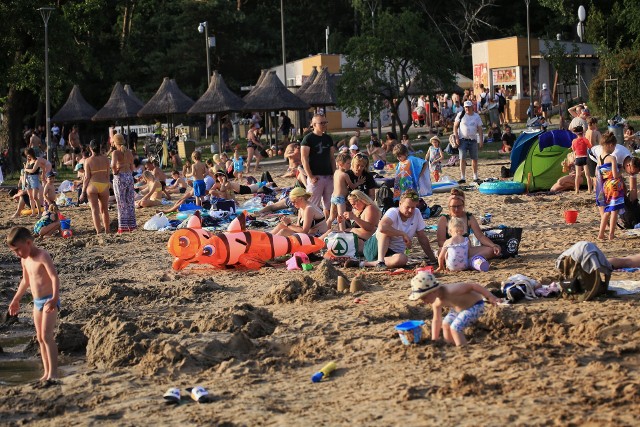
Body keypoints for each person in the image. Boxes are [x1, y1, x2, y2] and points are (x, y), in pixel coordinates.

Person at [7, 226, 60, 381]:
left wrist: (55, 298)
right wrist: (16, 299)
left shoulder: (43, 256)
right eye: (14, 251)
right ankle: (46, 373)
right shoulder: (25, 260)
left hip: (49, 299)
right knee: (40, 338)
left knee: (47, 336)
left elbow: (54, 277)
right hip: (37, 302)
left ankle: (54, 374)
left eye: (18, 249)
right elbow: (26, 280)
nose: (17, 254)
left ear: (29, 243)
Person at [408, 270, 500, 347]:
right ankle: (450, 345)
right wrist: (434, 339)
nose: (423, 301)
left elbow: (473, 286)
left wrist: (490, 296)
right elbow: (437, 320)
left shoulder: (452, 290)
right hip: (457, 309)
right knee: (445, 324)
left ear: (433, 291)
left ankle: (463, 348)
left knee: (455, 327)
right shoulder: (436, 302)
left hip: (475, 306)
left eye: (424, 297)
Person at [363, 189, 437, 269]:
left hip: (393, 252)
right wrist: (402, 234)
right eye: (407, 207)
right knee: (385, 230)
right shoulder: (393, 211)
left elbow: (422, 237)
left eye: (413, 207)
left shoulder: (417, 213)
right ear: (400, 204)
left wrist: (433, 259)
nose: (410, 210)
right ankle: (380, 261)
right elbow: (382, 227)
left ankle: (368, 263)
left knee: (403, 259)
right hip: (375, 247)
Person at [437, 189, 501, 260]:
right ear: (449, 206)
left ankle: (467, 260)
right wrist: (455, 247)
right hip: (452, 250)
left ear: (463, 205)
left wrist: (493, 245)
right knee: (440, 251)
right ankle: (471, 259)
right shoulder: (444, 219)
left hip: (467, 250)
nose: (456, 209)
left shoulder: (469, 217)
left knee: (491, 250)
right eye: (453, 206)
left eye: (459, 206)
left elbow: (480, 236)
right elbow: (440, 242)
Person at [300, 114, 336, 216]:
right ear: (314, 125)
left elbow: (332, 158)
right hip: (316, 176)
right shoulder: (308, 139)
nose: (324, 125)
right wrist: (310, 176)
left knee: (329, 203)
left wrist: (334, 173)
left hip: (328, 175)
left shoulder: (328, 138)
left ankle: (326, 223)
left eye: (325, 122)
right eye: (322, 123)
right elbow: (304, 159)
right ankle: (310, 223)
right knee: (312, 203)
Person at [595, 133, 625, 240]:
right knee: (614, 211)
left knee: (607, 211)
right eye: (614, 147)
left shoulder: (599, 157)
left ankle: (601, 234)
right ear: (610, 145)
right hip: (614, 186)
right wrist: (621, 170)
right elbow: (615, 175)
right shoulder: (612, 158)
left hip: (605, 186)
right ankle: (611, 234)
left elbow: (599, 174)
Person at [326, 153, 365, 231]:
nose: (349, 166)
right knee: (341, 217)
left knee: (331, 217)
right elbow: (352, 186)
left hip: (333, 197)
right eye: (348, 163)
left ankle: (326, 230)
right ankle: (342, 232)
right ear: (341, 164)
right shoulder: (345, 175)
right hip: (340, 198)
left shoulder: (336, 172)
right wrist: (359, 182)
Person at [82, 140, 111, 234]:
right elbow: (108, 174)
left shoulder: (88, 161)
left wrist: (83, 192)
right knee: (105, 209)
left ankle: (99, 231)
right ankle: (107, 230)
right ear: (100, 148)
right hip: (103, 185)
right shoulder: (106, 159)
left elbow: (86, 177)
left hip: (93, 185)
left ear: (90, 148)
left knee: (95, 210)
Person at [110, 133, 137, 233]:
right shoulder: (129, 152)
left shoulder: (115, 153)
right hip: (129, 177)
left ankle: (123, 226)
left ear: (115, 142)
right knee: (130, 202)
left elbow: (113, 165)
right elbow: (132, 167)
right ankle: (132, 225)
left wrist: (115, 171)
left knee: (121, 202)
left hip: (120, 177)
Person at [452, 100, 484, 184]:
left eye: (468, 107)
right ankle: (462, 177)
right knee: (462, 158)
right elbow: (455, 127)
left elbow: (480, 128)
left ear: (472, 107)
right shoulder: (460, 115)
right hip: (463, 139)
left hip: (473, 140)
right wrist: (456, 137)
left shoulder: (476, 116)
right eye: (465, 107)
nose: (467, 109)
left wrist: (481, 139)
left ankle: (475, 176)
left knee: (474, 158)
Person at [23, 148, 47, 217]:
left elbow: (33, 170)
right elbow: (26, 171)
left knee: (35, 197)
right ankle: (33, 212)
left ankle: (39, 213)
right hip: (28, 178)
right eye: (26, 155)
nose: (27, 156)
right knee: (30, 197)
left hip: (34, 178)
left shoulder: (37, 160)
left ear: (31, 154)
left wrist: (43, 174)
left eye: (28, 155)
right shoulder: (29, 161)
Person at [571, 126, 592, 193]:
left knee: (577, 175)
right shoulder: (585, 140)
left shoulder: (574, 141)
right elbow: (590, 147)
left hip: (578, 158)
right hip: (585, 157)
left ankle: (577, 190)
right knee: (587, 175)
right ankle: (589, 190)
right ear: (583, 132)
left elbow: (573, 149)